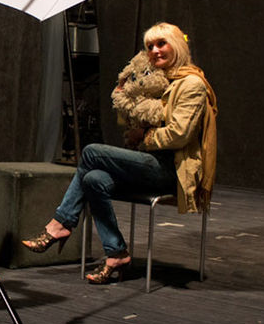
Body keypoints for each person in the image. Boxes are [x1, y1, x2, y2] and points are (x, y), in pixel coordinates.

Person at [22, 22, 218, 284]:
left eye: (162, 44)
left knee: (92, 152)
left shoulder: (191, 84)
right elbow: (131, 122)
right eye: (150, 46)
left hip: (173, 169)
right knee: (93, 179)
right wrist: (126, 96)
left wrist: (144, 136)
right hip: (150, 163)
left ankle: (61, 223)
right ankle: (116, 253)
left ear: (178, 46)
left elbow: (179, 134)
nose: (155, 51)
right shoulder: (157, 81)